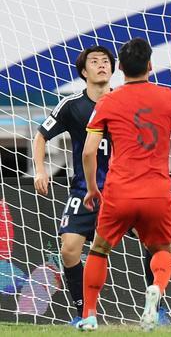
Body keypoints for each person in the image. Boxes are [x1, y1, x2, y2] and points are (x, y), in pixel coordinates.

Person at [76, 37, 171, 331]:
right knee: (162, 250)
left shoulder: (108, 101)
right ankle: (157, 289)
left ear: (120, 68)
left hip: (119, 192)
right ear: (150, 65)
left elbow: (88, 152)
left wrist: (92, 188)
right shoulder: (168, 97)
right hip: (156, 193)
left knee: (99, 249)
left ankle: (89, 315)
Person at [33, 46, 114, 326]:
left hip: (121, 190)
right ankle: (83, 313)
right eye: (95, 61)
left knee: (153, 241)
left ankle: (158, 310)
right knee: (69, 249)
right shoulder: (71, 105)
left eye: (106, 61)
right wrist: (40, 170)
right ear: (83, 72)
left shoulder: (123, 100)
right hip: (85, 190)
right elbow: (40, 136)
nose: (101, 65)